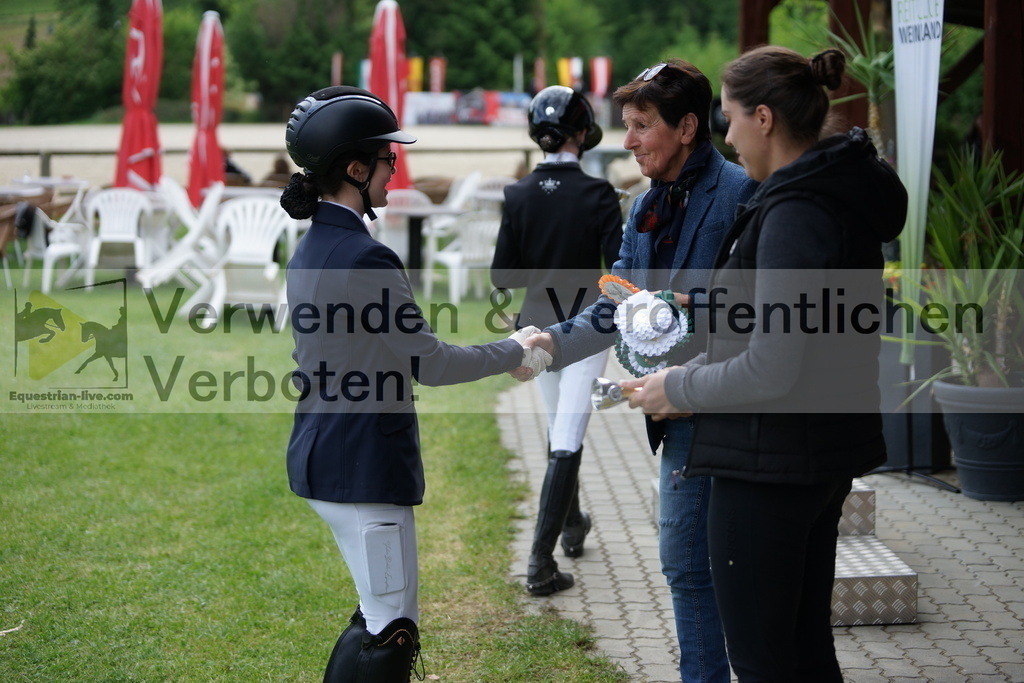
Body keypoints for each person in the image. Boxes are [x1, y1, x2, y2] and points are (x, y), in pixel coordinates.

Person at [620, 47, 907, 681]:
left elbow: (772, 366)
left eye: (729, 118)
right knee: (804, 651)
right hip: (811, 453)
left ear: (765, 118)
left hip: (771, 461)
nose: (727, 136)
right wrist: (705, 303)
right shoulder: (825, 196)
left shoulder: (795, 211)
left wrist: (677, 387)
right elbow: (799, 317)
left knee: (764, 661)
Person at [281, 86, 550, 682]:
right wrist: (514, 350)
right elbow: (431, 362)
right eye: (388, 159)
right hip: (363, 465)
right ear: (356, 169)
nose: (394, 170)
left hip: (328, 452)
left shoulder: (312, 247)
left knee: (379, 616)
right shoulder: (365, 258)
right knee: (391, 626)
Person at [523, 60, 757, 682]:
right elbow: (614, 302)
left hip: (736, 408)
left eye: (641, 125)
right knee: (687, 564)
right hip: (679, 414)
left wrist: (684, 306)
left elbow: (763, 307)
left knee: (706, 564)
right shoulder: (646, 202)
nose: (626, 141)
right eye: (625, 125)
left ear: (687, 128)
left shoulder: (742, 193)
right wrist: (548, 342)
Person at [490, 85, 623, 596]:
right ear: (582, 133)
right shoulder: (599, 193)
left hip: (534, 326)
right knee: (567, 433)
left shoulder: (517, 194)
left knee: (559, 426)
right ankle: (540, 563)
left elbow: (503, 275)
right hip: (585, 326)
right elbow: (618, 269)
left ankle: (572, 524)